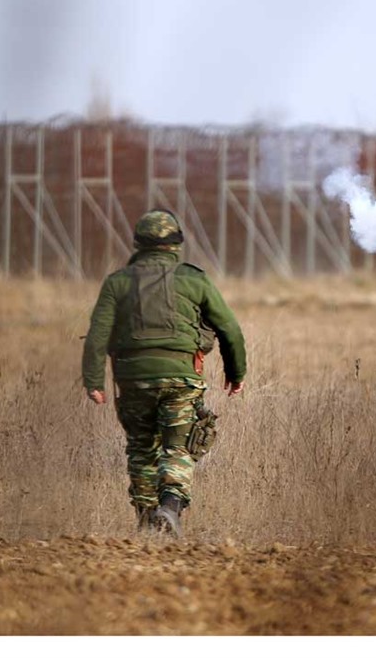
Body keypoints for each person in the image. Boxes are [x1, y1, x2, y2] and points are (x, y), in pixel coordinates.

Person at [82, 210, 246, 537]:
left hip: (132, 380)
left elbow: (98, 333)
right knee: (178, 448)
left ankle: (146, 522)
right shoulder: (194, 279)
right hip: (181, 380)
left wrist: (93, 380)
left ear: (138, 243)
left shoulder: (118, 282)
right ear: (176, 244)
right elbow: (229, 328)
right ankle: (169, 508)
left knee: (142, 448)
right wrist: (235, 372)